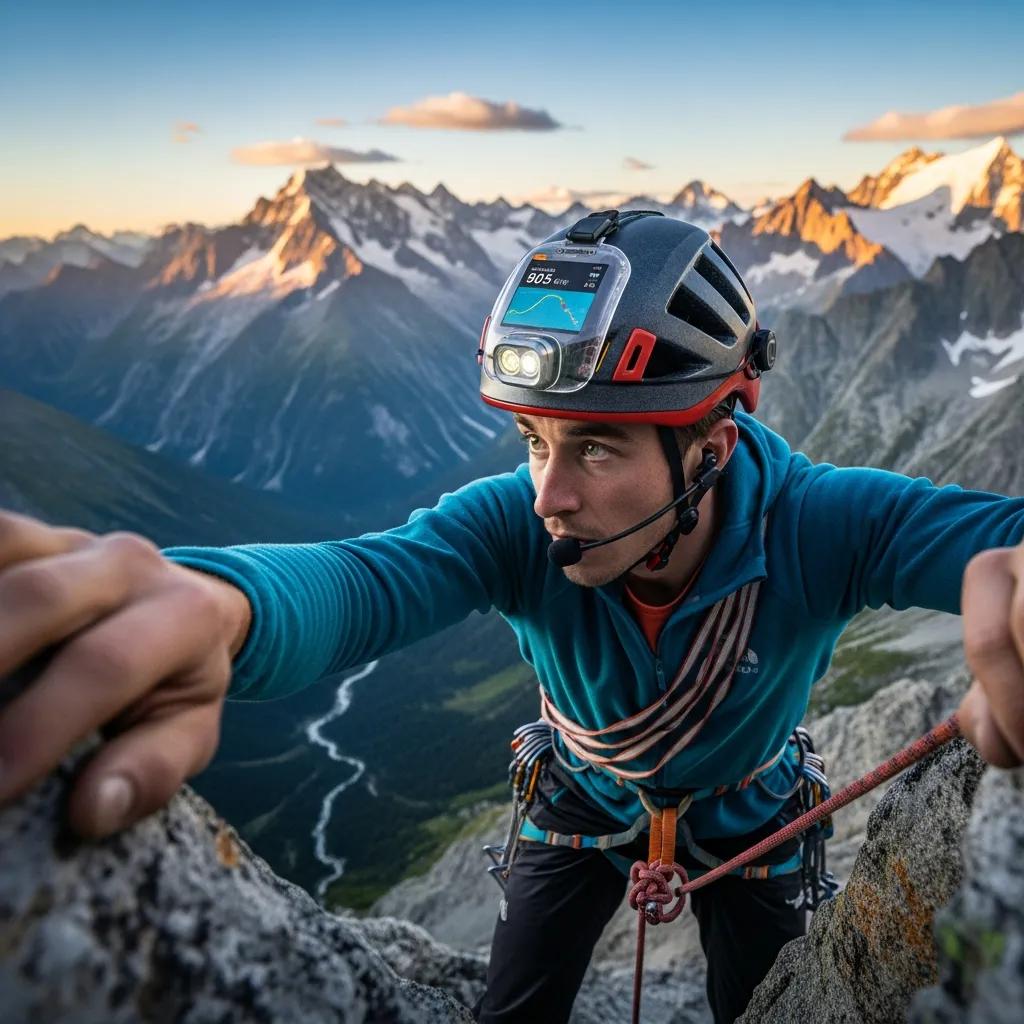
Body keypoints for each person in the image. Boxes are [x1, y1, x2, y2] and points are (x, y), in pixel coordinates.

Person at [0, 211, 1021, 1024]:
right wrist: (221, 604)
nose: (547, 494)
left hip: (750, 821)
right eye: (534, 441)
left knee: (764, 1010)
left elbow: (997, 535)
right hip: (577, 810)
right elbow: (368, 580)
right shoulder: (517, 529)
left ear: (712, 439)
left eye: (598, 449)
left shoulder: (816, 524)